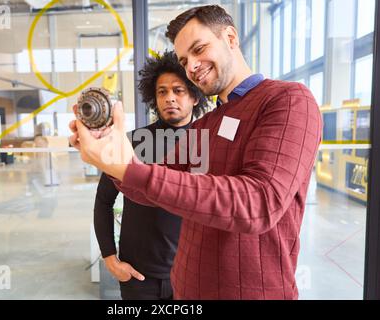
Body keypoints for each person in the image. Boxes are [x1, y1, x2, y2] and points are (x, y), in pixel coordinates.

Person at [70, 5, 322, 300]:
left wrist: (128, 168)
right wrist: (112, 155)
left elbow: (260, 203)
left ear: (230, 37)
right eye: (184, 60)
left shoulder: (287, 100)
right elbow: (151, 188)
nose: (192, 66)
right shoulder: (205, 126)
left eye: (199, 49)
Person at [93, 51, 207, 300]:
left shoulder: (206, 143)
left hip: (191, 274)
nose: (170, 98)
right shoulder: (132, 142)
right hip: (139, 276)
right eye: (162, 92)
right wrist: (110, 259)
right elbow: (103, 201)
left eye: (178, 90)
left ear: (195, 96)